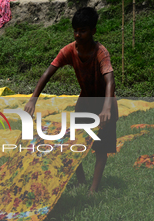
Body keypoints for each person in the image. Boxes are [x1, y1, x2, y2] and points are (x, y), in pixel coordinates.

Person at [24, 7, 118, 195]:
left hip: (105, 103)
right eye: (75, 30)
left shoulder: (101, 52)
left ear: (93, 31)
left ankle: (93, 190)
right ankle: (81, 180)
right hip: (85, 103)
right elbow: (47, 74)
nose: (77, 35)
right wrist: (33, 99)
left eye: (82, 30)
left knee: (100, 148)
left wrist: (107, 107)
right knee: (73, 143)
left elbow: (110, 80)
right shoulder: (68, 51)